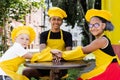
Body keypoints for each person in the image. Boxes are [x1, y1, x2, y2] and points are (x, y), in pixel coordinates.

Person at [51, 9, 120, 80]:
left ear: (103, 25)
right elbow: (82, 52)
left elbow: (84, 51)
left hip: (109, 70)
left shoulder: (101, 41)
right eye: (91, 25)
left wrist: (62, 54)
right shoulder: (100, 39)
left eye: (96, 25)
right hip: (106, 68)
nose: (93, 28)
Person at [22, 7, 72, 79]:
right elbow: (42, 50)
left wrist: (58, 57)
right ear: (50, 21)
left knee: (54, 72)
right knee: (26, 72)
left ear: (62, 22)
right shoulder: (44, 34)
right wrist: (54, 54)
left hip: (61, 66)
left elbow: (68, 52)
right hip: (44, 66)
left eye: (59, 19)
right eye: (53, 19)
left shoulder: (67, 35)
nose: (56, 22)